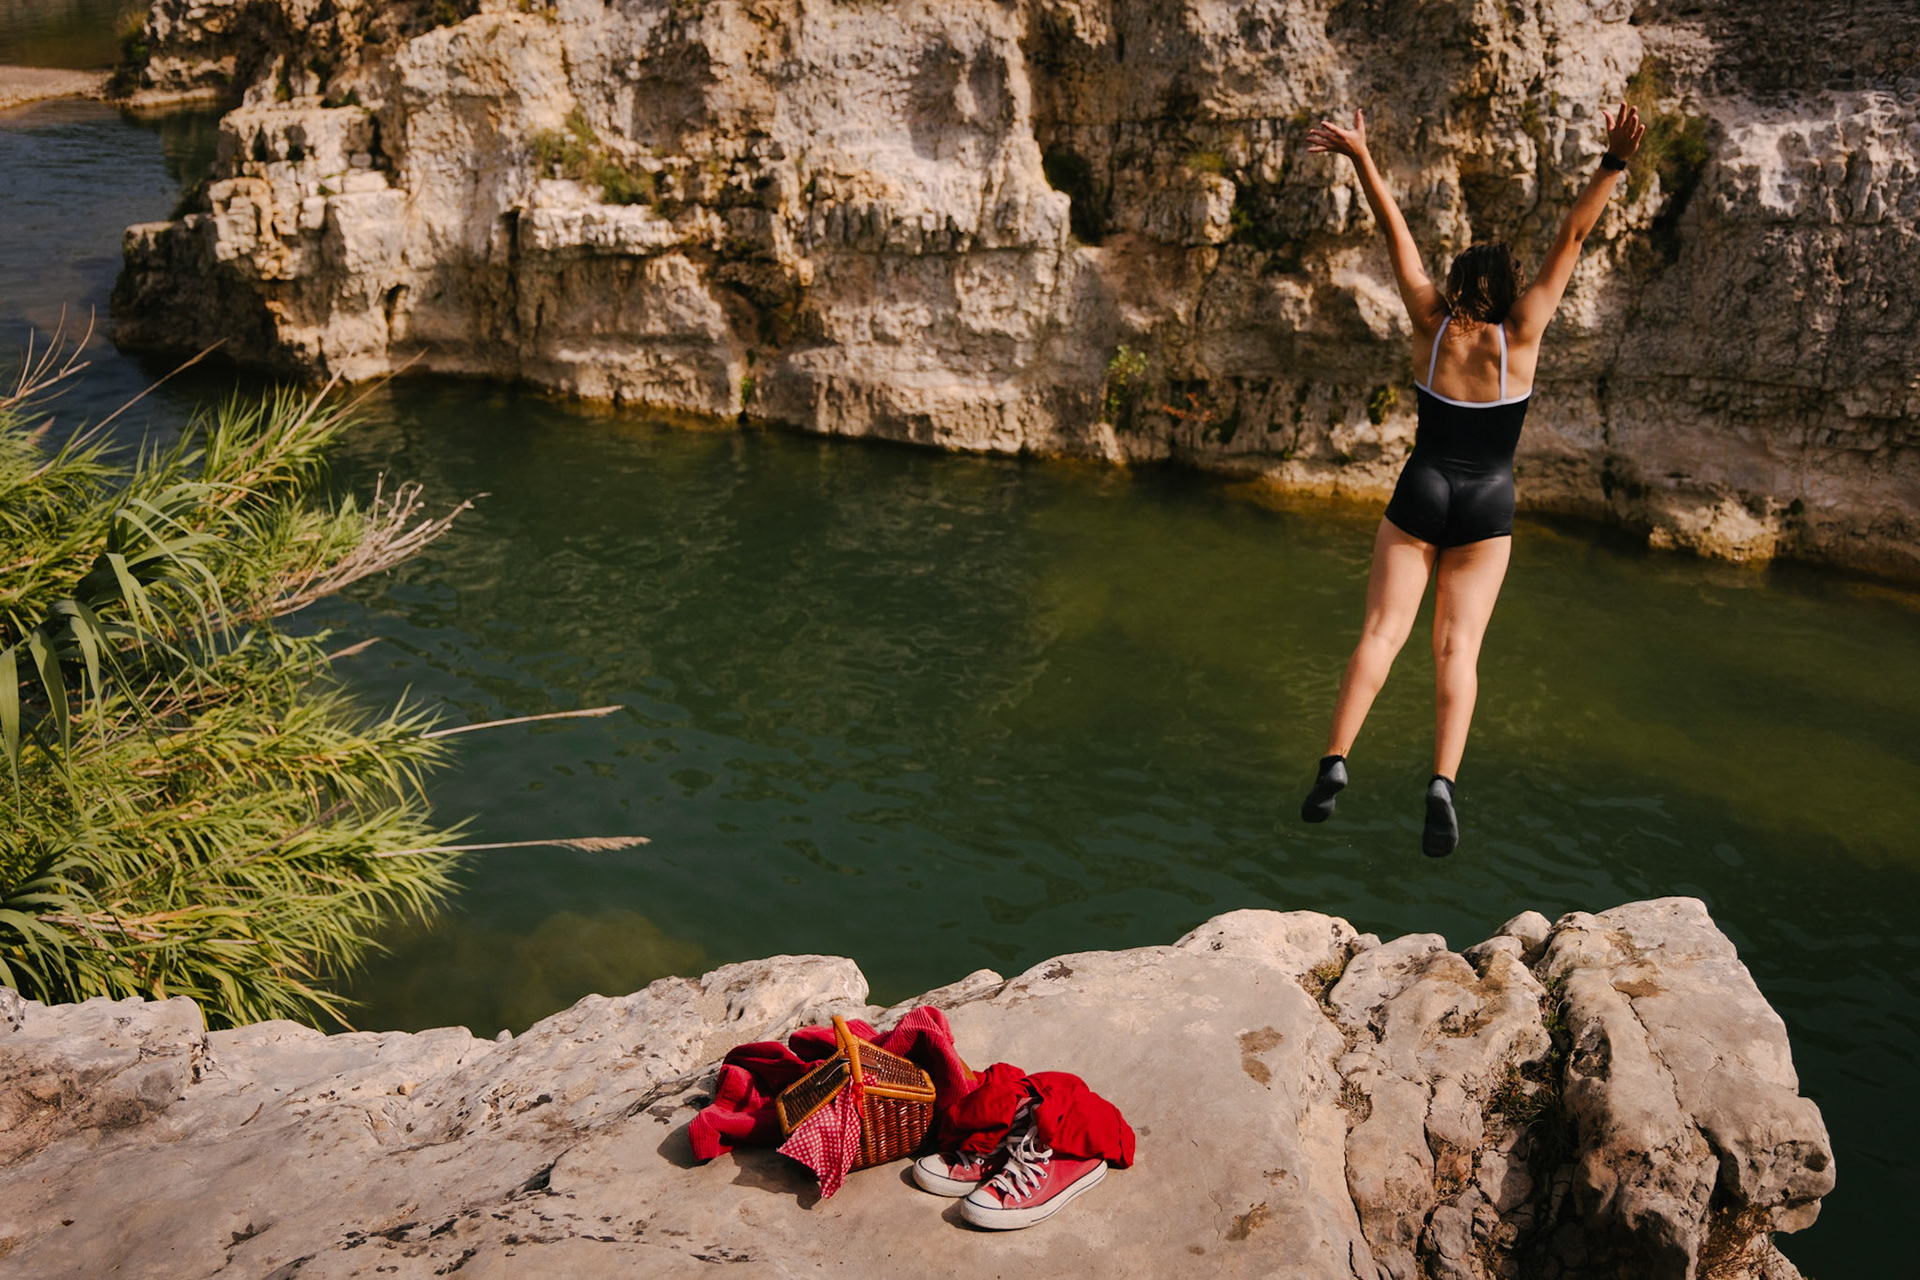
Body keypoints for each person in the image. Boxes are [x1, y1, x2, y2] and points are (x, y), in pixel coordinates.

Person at [1298, 102, 1645, 857]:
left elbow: (1397, 237)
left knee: (1382, 634)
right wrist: (1612, 164)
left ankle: (1334, 761)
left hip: (1421, 487)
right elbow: (1573, 236)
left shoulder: (1430, 325)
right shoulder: (1519, 335)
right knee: (1458, 652)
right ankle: (1442, 783)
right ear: (1512, 287)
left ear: (1456, 281)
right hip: (1489, 502)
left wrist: (1360, 155)